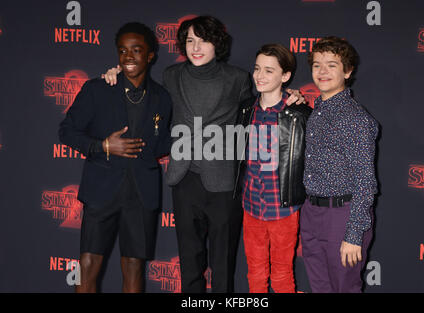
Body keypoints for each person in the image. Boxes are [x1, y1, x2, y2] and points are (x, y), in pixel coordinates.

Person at [103, 15, 304, 293]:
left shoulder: (237, 78)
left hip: (224, 183)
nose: (196, 47)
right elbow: (141, 90)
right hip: (184, 178)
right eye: (190, 40)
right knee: (189, 260)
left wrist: (294, 96)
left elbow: (263, 103)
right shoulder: (170, 76)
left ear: (217, 44)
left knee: (223, 262)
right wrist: (116, 73)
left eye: (204, 40)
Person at [59, 22, 172, 293]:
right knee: (88, 263)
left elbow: (161, 143)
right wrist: (104, 146)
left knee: (134, 266)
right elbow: (66, 132)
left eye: (136, 50)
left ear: (150, 55)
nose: (129, 57)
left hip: (141, 193)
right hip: (101, 189)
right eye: (123, 51)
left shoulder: (162, 97)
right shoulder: (98, 88)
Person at [300, 36, 378, 293]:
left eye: (331, 65)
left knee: (344, 289)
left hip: (342, 216)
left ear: (347, 71)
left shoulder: (353, 118)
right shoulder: (318, 111)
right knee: (320, 288)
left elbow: (365, 182)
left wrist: (354, 235)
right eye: (317, 65)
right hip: (312, 211)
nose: (322, 72)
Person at [234, 44, 311, 293]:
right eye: (257, 69)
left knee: (282, 273)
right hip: (251, 205)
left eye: (269, 70)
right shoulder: (246, 109)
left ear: (285, 76)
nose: (260, 76)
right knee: (254, 272)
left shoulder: (299, 114)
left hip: (283, 208)